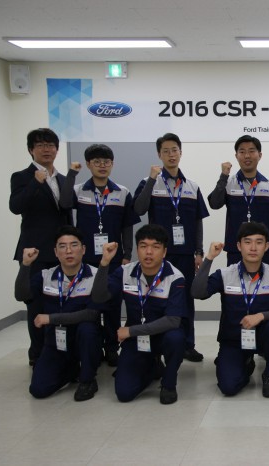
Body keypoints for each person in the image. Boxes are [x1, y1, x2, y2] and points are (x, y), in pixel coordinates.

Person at [192, 222, 269, 398]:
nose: (253, 248)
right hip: (233, 339)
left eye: (259, 242)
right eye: (247, 242)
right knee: (228, 387)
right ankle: (246, 363)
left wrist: (261, 316)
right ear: (239, 246)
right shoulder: (225, 274)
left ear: (267, 247)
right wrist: (209, 258)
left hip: (262, 337)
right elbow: (197, 292)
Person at [59, 143, 140, 366]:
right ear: (88, 164)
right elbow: (64, 203)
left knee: (112, 305)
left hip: (113, 259)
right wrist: (71, 174)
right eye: (97, 162)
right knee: (88, 305)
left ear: (112, 164)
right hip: (85, 260)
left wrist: (127, 254)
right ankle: (91, 348)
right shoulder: (78, 190)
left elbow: (127, 226)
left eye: (106, 162)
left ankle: (112, 348)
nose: (102, 166)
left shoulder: (122, 192)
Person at [134, 133, 209, 363]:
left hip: (185, 254)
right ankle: (156, 345)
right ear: (159, 154)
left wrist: (199, 252)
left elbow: (197, 222)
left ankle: (187, 344)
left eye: (174, 150)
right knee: (156, 298)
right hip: (158, 254)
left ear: (180, 152)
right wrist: (151, 179)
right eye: (165, 151)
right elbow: (139, 208)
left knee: (186, 298)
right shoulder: (150, 183)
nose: (171, 154)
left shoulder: (192, 186)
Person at [92, 224, 187, 404]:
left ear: (164, 252)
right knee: (124, 393)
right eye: (143, 246)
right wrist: (104, 263)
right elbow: (98, 297)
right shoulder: (125, 272)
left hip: (161, 335)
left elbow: (173, 321)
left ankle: (168, 383)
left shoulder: (175, 277)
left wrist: (130, 331)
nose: (148, 252)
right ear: (137, 249)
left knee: (176, 338)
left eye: (155, 247)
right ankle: (152, 367)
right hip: (136, 339)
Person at [14, 226, 102, 401]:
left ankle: (87, 379)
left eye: (74, 245)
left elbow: (92, 314)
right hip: (56, 341)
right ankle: (72, 369)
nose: (68, 251)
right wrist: (25, 265)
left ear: (83, 249)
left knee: (88, 329)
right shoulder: (46, 276)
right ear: (55, 252)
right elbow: (21, 295)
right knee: (38, 390)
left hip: (83, 340)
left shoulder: (95, 276)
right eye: (62, 246)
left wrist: (51, 318)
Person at [10, 128, 73, 366]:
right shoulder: (22, 177)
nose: (46, 149)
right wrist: (35, 184)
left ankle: (61, 350)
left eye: (50, 145)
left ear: (57, 149)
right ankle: (37, 354)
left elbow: (67, 215)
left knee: (62, 303)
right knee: (35, 304)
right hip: (34, 252)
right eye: (40, 145)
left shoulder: (63, 179)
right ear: (31, 150)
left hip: (62, 252)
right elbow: (15, 206)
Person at [207, 135, 269, 267]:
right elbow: (214, 204)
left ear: (259, 155)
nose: (247, 156)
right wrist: (223, 176)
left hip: (264, 250)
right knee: (234, 280)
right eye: (242, 152)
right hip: (236, 249)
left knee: (267, 281)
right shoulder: (228, 183)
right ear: (236, 156)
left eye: (251, 151)